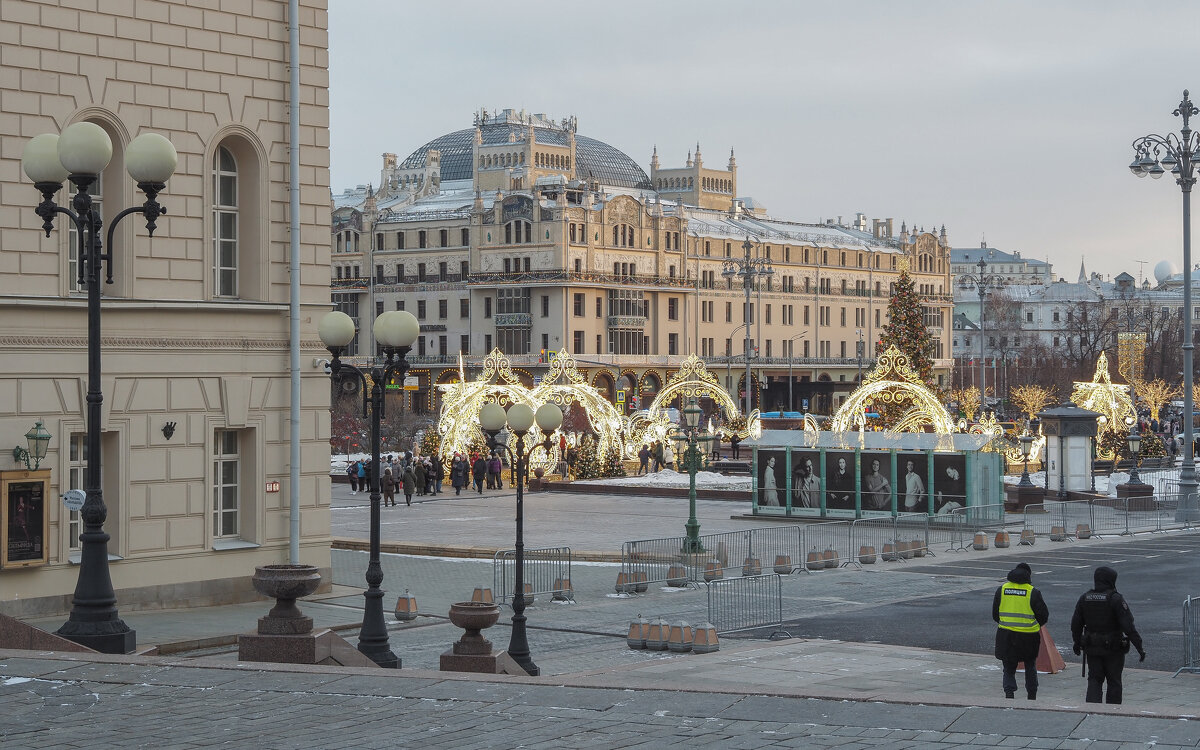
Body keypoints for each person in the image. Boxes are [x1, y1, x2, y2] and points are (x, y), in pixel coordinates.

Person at [1071, 566, 1145, 704]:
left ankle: (1092, 710)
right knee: (1114, 680)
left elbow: (1076, 624)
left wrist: (1076, 642)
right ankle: (1113, 712)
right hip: (1113, 648)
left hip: (1092, 646)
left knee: (1094, 679)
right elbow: (1128, 626)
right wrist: (1139, 647)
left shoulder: (1085, 598)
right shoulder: (1115, 599)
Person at [993, 562, 1049, 700]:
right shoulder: (1032, 592)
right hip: (1028, 637)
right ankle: (1032, 695)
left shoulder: (1002, 589)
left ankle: (1009, 693)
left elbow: (995, 614)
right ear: (1028, 576)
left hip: (1006, 635)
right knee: (1030, 666)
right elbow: (1043, 616)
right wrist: (1032, 625)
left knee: (1008, 667)